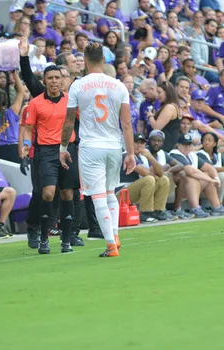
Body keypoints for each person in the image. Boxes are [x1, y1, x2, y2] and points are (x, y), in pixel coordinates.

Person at [59, 43, 136, 257]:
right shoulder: (118, 85)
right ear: (103, 60)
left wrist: (63, 147)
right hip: (113, 145)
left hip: (91, 146)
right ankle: (115, 236)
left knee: (98, 196)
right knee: (111, 192)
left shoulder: (77, 86)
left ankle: (111, 245)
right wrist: (130, 153)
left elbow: (68, 122)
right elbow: (127, 123)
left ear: (85, 61)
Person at [22, 65, 79, 255]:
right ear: (44, 81)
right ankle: (44, 237)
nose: (54, 81)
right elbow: (29, 128)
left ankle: (66, 240)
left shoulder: (71, 101)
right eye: (50, 78)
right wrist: (26, 144)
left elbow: (83, 120)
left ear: (63, 81)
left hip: (68, 149)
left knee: (68, 194)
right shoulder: (36, 103)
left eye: (57, 78)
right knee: (47, 193)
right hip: (45, 151)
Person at [120, 133, 173, 223]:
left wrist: (150, 157)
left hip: (133, 192)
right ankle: (144, 213)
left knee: (164, 179)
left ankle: (158, 211)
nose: (139, 145)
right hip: (121, 193)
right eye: (136, 142)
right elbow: (145, 173)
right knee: (149, 179)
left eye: (142, 143)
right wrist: (155, 176)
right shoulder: (126, 155)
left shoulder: (143, 157)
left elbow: (160, 173)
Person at [197, 132, 224, 213]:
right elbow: (212, 169)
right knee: (223, 175)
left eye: (209, 140)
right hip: (205, 182)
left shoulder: (216, 154)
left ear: (214, 143)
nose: (206, 142)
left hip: (214, 182)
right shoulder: (200, 154)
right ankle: (217, 205)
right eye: (204, 140)